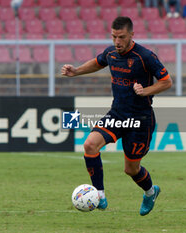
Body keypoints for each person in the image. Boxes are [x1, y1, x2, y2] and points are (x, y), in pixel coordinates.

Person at [62, 16, 172, 216]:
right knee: (89, 145)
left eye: (121, 37)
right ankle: (100, 195)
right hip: (117, 114)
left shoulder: (145, 56)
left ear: (132, 34)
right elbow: (98, 62)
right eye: (114, 36)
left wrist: (146, 91)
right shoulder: (111, 52)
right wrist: (76, 71)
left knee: (131, 169)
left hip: (141, 120)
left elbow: (166, 81)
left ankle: (150, 192)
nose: (117, 41)